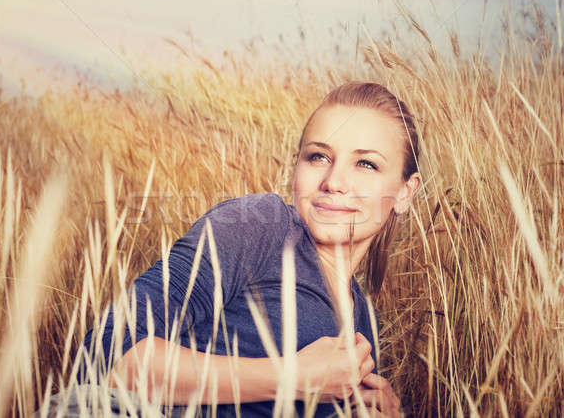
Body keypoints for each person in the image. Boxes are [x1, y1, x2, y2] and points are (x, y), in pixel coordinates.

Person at [73, 81, 422, 418]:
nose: (333, 182)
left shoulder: (365, 325)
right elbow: (105, 355)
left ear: (406, 192)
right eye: (318, 156)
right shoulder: (260, 226)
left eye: (366, 164)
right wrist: (291, 378)